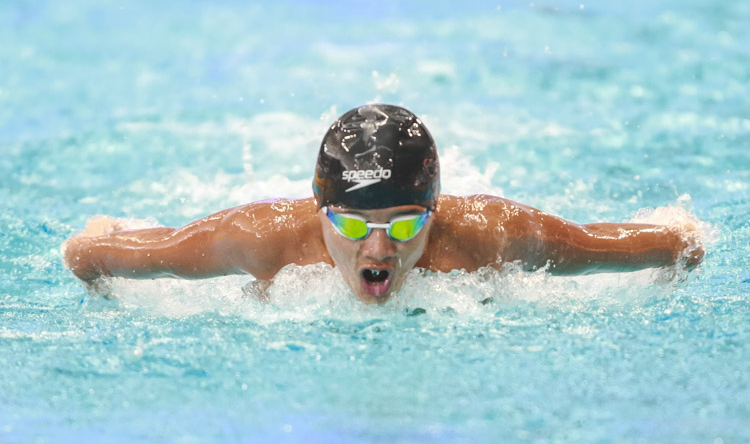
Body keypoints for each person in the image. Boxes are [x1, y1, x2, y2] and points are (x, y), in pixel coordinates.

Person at [63, 104, 705, 304]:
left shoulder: (487, 233)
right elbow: (103, 254)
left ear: (434, 211)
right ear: (320, 209)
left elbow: (606, 246)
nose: (378, 249)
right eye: (350, 223)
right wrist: (94, 246)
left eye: (402, 223)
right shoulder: (264, 241)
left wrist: (679, 240)